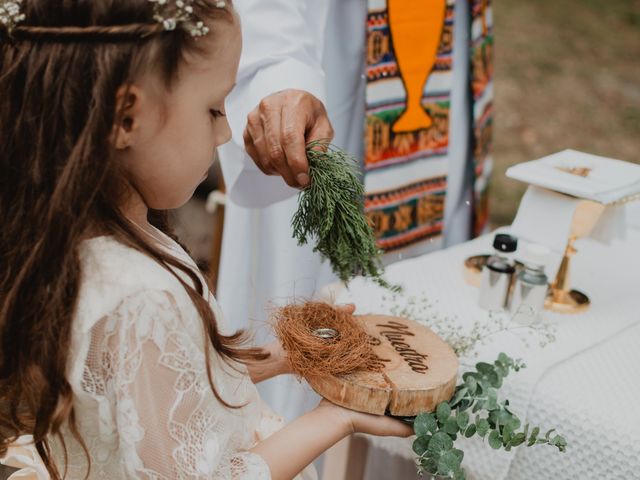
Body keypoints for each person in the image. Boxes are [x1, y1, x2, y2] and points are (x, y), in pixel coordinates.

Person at [0, 1, 412, 479]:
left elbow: (160, 390)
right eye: (215, 108)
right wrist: (335, 417)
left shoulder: (74, 241)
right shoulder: (142, 294)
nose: (225, 134)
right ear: (126, 117)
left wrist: (287, 356)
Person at [217, 0, 493, 422]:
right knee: (310, 281)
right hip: (332, 51)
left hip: (442, 48)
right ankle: (303, 434)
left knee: (426, 283)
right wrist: (280, 77)